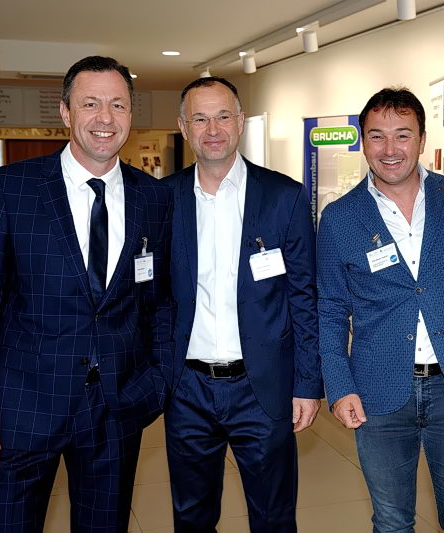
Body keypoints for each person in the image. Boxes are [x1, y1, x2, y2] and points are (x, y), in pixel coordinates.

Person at [0, 55, 174, 532]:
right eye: (90, 103)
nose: (105, 117)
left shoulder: (154, 197)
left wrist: (156, 384)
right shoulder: (12, 189)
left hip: (115, 409)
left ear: (131, 114)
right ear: (66, 112)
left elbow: (158, 304)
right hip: (21, 409)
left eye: (118, 105)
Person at [317, 87, 444, 532]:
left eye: (402, 135)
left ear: (422, 138)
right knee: (392, 521)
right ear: (363, 142)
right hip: (377, 391)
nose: (390, 149)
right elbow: (330, 309)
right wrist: (339, 386)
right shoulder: (339, 218)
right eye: (377, 136)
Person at [162, 76, 322, 532]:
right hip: (187, 388)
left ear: (241, 121)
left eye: (223, 116)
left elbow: (304, 296)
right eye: (200, 119)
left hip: (263, 388)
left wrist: (307, 383)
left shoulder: (284, 196)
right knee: (191, 517)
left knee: (273, 517)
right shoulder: (162, 198)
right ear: (184, 127)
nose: (213, 129)